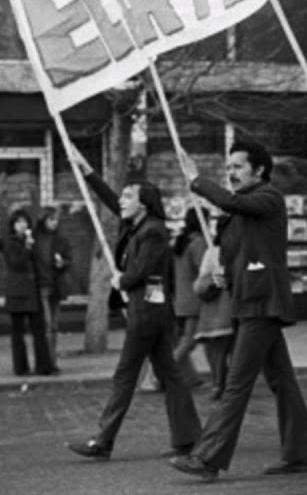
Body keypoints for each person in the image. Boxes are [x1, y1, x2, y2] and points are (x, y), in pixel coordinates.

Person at [169, 141, 307, 482]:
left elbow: (229, 200)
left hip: (262, 303)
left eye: (237, 167)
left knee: (235, 384)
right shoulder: (240, 213)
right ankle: (300, 452)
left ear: (259, 171)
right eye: (229, 167)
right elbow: (242, 250)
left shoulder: (268, 198)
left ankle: (208, 458)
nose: (231, 173)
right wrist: (225, 272)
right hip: (249, 301)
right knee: (282, 380)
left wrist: (197, 179)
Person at [67, 153, 201, 461]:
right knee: (170, 375)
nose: (123, 200)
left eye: (129, 196)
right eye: (124, 195)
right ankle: (188, 438)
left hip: (148, 314)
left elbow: (141, 271)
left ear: (143, 203)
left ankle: (103, 440)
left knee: (126, 375)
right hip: (150, 311)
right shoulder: (139, 224)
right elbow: (112, 202)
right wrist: (88, 172)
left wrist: (121, 280)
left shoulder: (153, 231)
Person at [0, 209, 55, 374]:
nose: (23, 226)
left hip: (32, 290)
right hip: (18, 291)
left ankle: (43, 366)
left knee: (39, 329)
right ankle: (20, 367)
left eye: (25, 222)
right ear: (13, 226)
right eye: (19, 222)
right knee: (18, 332)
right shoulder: (10, 242)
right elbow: (17, 263)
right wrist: (27, 247)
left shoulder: (31, 240)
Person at [192, 213, 234, 403]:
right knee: (230, 348)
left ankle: (219, 383)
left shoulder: (211, 251)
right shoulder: (216, 250)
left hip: (212, 307)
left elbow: (200, 279)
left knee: (217, 350)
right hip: (225, 304)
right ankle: (227, 383)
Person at [171, 207, 206, 389]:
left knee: (185, 340)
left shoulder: (182, 243)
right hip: (194, 299)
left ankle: (190, 377)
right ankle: (161, 372)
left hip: (181, 298)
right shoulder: (198, 243)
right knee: (188, 341)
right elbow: (204, 270)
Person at [34, 206, 72, 367]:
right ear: (44, 220)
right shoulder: (35, 238)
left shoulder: (61, 239)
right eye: (51, 220)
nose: (54, 223)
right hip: (41, 285)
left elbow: (69, 260)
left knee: (54, 326)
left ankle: (52, 360)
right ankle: (46, 361)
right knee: (47, 325)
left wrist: (62, 263)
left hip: (56, 285)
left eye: (56, 220)